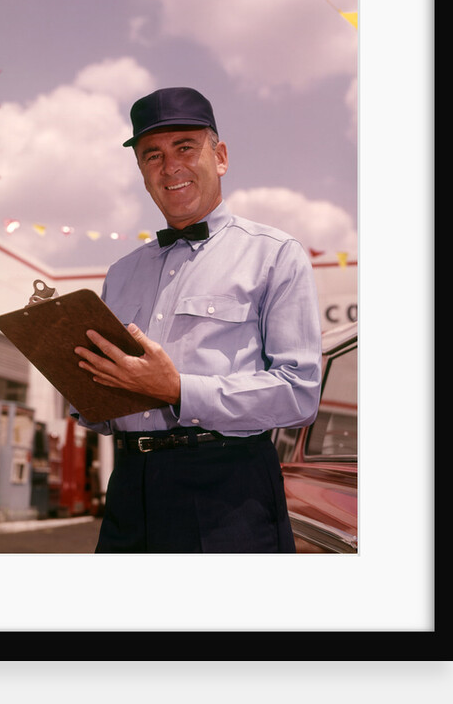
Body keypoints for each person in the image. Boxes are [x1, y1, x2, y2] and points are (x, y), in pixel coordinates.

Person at [73, 87, 322, 553]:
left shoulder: (276, 255)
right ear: (142, 172)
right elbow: (107, 404)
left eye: (184, 147)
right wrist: (86, 387)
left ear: (220, 156)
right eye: (152, 155)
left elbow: (299, 392)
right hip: (128, 491)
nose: (170, 167)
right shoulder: (120, 273)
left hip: (228, 492)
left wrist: (178, 390)